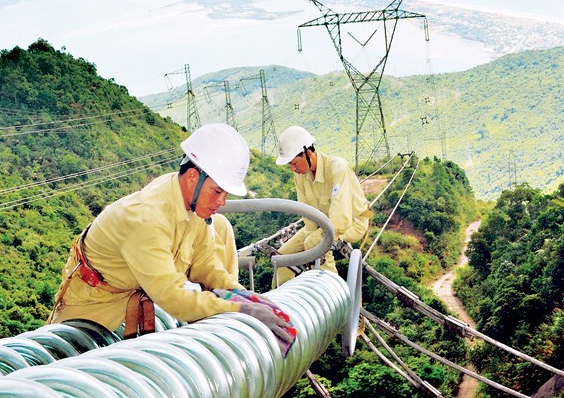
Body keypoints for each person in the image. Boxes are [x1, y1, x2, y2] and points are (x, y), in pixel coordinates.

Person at [48, 123, 292, 346]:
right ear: (194, 177)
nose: (222, 201)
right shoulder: (147, 219)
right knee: (68, 370)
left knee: (222, 225)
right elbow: (174, 297)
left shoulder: (189, 203)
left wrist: (241, 294)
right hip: (93, 307)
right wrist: (239, 311)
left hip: (131, 301)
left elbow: (204, 264)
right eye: (217, 191)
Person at [274, 125, 371, 286]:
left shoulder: (337, 168)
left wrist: (313, 242)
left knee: (313, 242)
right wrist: (311, 236)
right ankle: (280, 304)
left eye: (293, 163)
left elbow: (340, 220)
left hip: (353, 222)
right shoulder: (301, 176)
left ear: (308, 153)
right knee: (283, 256)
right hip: (324, 223)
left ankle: (335, 294)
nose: (292, 169)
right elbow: (308, 214)